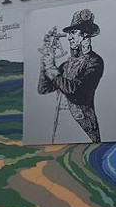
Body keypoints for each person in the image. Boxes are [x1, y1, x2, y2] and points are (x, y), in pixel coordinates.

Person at [37, 8, 104, 142]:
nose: (69, 37)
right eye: (69, 33)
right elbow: (43, 89)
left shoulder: (95, 62)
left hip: (83, 129)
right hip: (61, 127)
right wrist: (45, 66)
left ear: (85, 34)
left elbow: (78, 92)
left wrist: (53, 71)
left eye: (73, 32)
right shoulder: (66, 65)